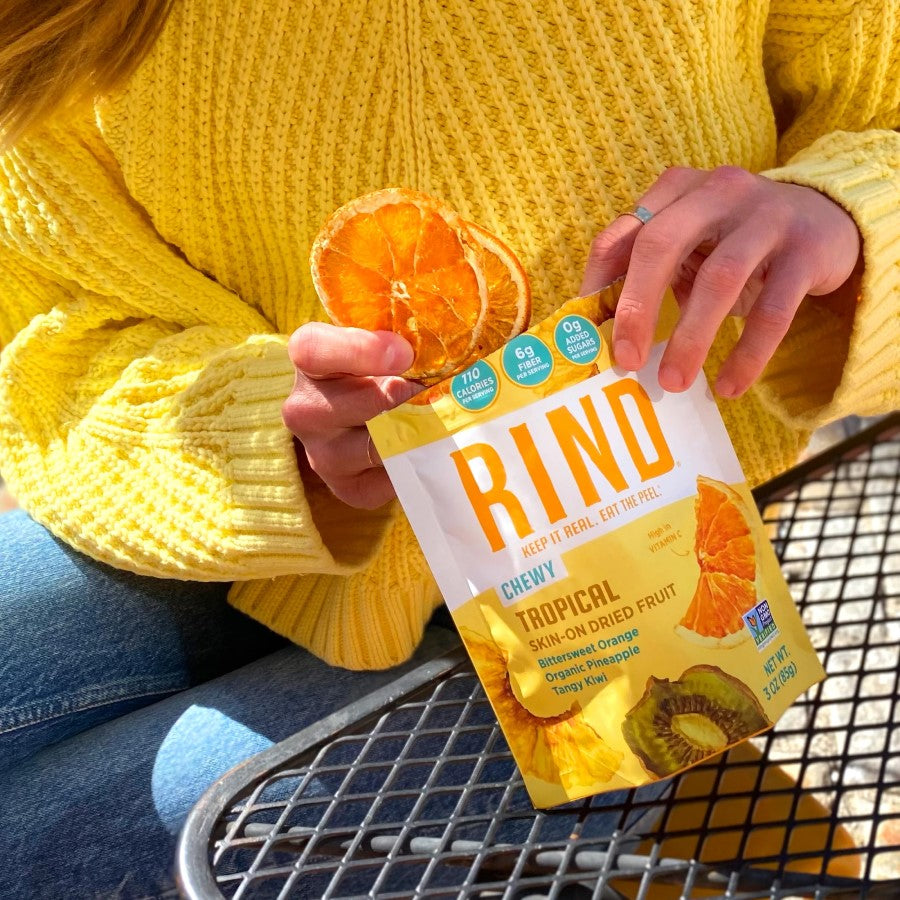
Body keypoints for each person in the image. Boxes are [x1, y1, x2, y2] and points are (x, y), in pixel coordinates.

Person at [0, 0, 897, 896]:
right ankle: (681, 850)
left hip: (653, 595)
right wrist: (258, 429)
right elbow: (56, 330)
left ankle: (681, 829)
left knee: (42, 852)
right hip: (252, 545)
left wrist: (843, 220)